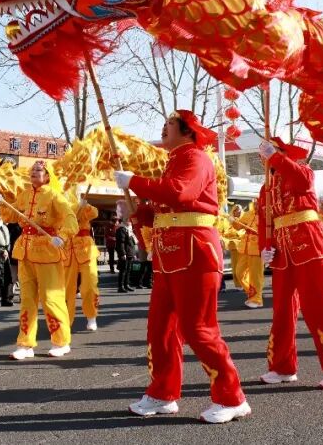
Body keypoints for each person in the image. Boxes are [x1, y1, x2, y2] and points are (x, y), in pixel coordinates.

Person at [115, 110, 250, 424]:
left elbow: (180, 193)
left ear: (189, 132)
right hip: (169, 256)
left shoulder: (196, 158)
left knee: (198, 329)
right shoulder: (173, 162)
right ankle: (162, 393)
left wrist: (135, 182)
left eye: (170, 124)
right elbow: (169, 207)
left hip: (195, 252)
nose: (163, 128)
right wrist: (143, 214)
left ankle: (232, 397)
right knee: (160, 329)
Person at [256, 136, 323, 390]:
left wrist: (277, 156)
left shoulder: (301, 171)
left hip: (308, 244)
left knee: (319, 306)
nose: (263, 155)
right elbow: (264, 222)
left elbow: (303, 180)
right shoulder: (265, 188)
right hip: (282, 250)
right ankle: (282, 367)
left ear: (283, 154)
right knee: (282, 310)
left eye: (269, 151)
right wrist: (264, 248)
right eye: (262, 152)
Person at [0, 159, 77, 361]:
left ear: (48, 175)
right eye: (32, 170)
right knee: (27, 299)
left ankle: (61, 341)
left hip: (47, 250)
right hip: (25, 251)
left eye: (39, 170)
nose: (34, 172)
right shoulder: (24, 194)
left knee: (51, 298)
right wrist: (0, 202)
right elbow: (10, 215)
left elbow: (70, 219)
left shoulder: (54, 196)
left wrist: (63, 236)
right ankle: (25, 343)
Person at [65, 193, 100, 332]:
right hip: (68, 249)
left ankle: (91, 316)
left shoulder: (80, 206)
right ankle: (65, 321)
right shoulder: (57, 205)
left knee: (90, 285)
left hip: (85, 249)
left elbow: (94, 213)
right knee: (67, 288)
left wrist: (85, 205)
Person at [229, 202, 264, 308]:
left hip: (258, 248)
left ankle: (257, 299)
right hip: (245, 248)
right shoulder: (248, 214)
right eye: (256, 201)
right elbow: (238, 226)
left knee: (256, 276)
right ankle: (253, 293)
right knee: (239, 272)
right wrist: (236, 216)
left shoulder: (267, 214)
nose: (257, 203)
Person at [115, 209, 137, 293]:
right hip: (125, 253)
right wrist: (123, 253)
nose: (130, 222)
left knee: (128, 270)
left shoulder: (129, 229)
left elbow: (132, 242)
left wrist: (133, 253)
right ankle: (120, 286)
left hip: (130, 252)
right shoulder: (121, 229)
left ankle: (126, 284)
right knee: (123, 270)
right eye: (128, 220)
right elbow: (120, 243)